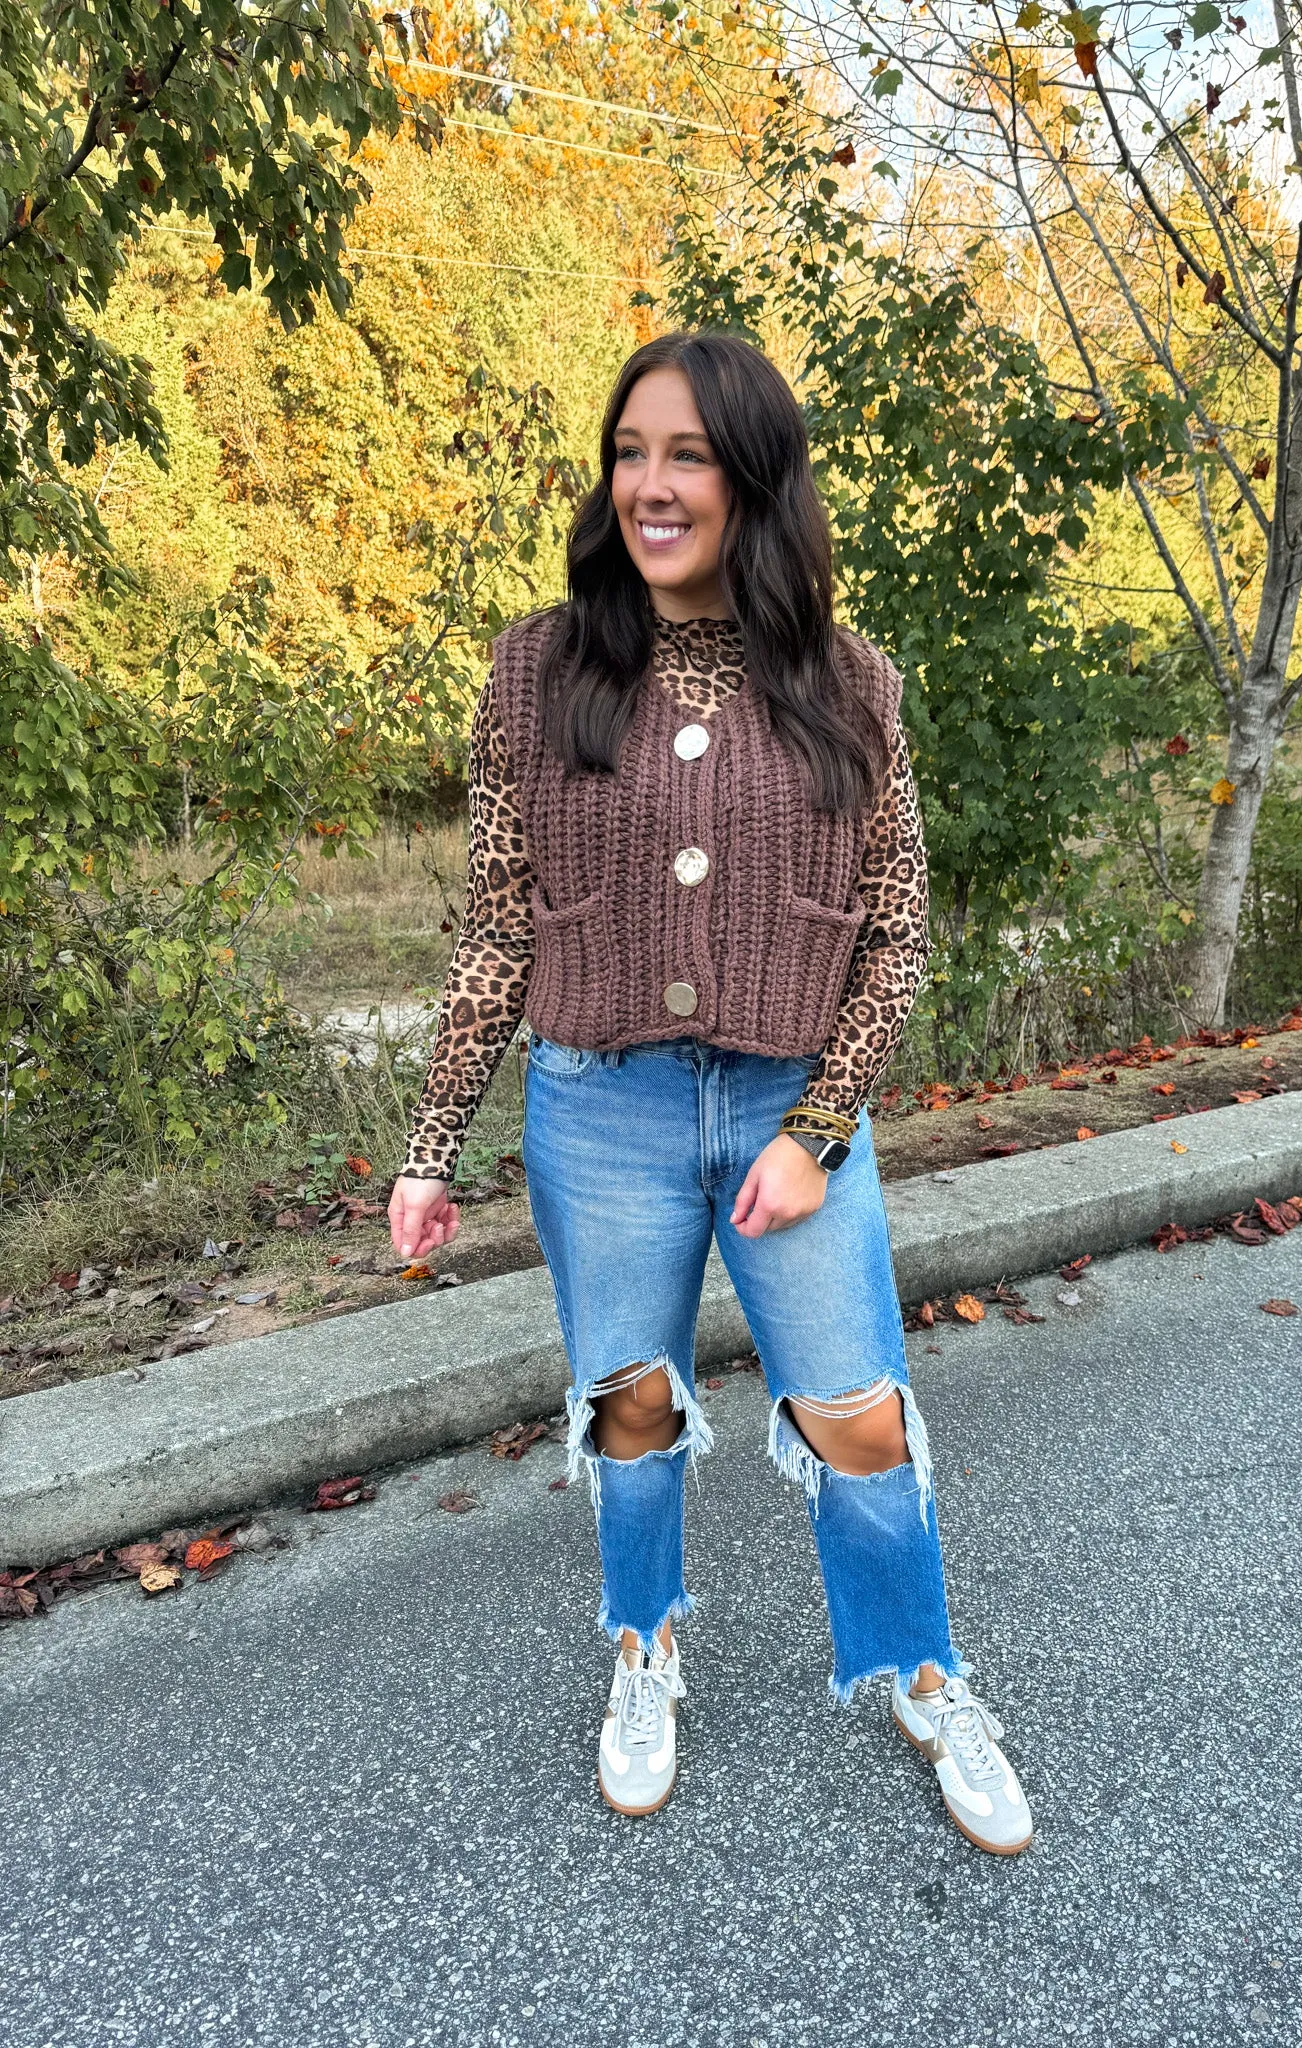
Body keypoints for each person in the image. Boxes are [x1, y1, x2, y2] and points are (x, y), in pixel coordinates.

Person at [389, 330, 1032, 1854]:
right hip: (594, 1110)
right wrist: (432, 1148)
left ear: (753, 480)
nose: (651, 485)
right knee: (627, 1403)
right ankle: (643, 1645)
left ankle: (924, 1670)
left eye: (686, 455)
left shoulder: (849, 685)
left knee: (856, 1410)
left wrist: (817, 1134)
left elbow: (895, 933)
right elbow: (496, 920)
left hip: (785, 1111)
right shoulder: (536, 669)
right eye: (630, 451)